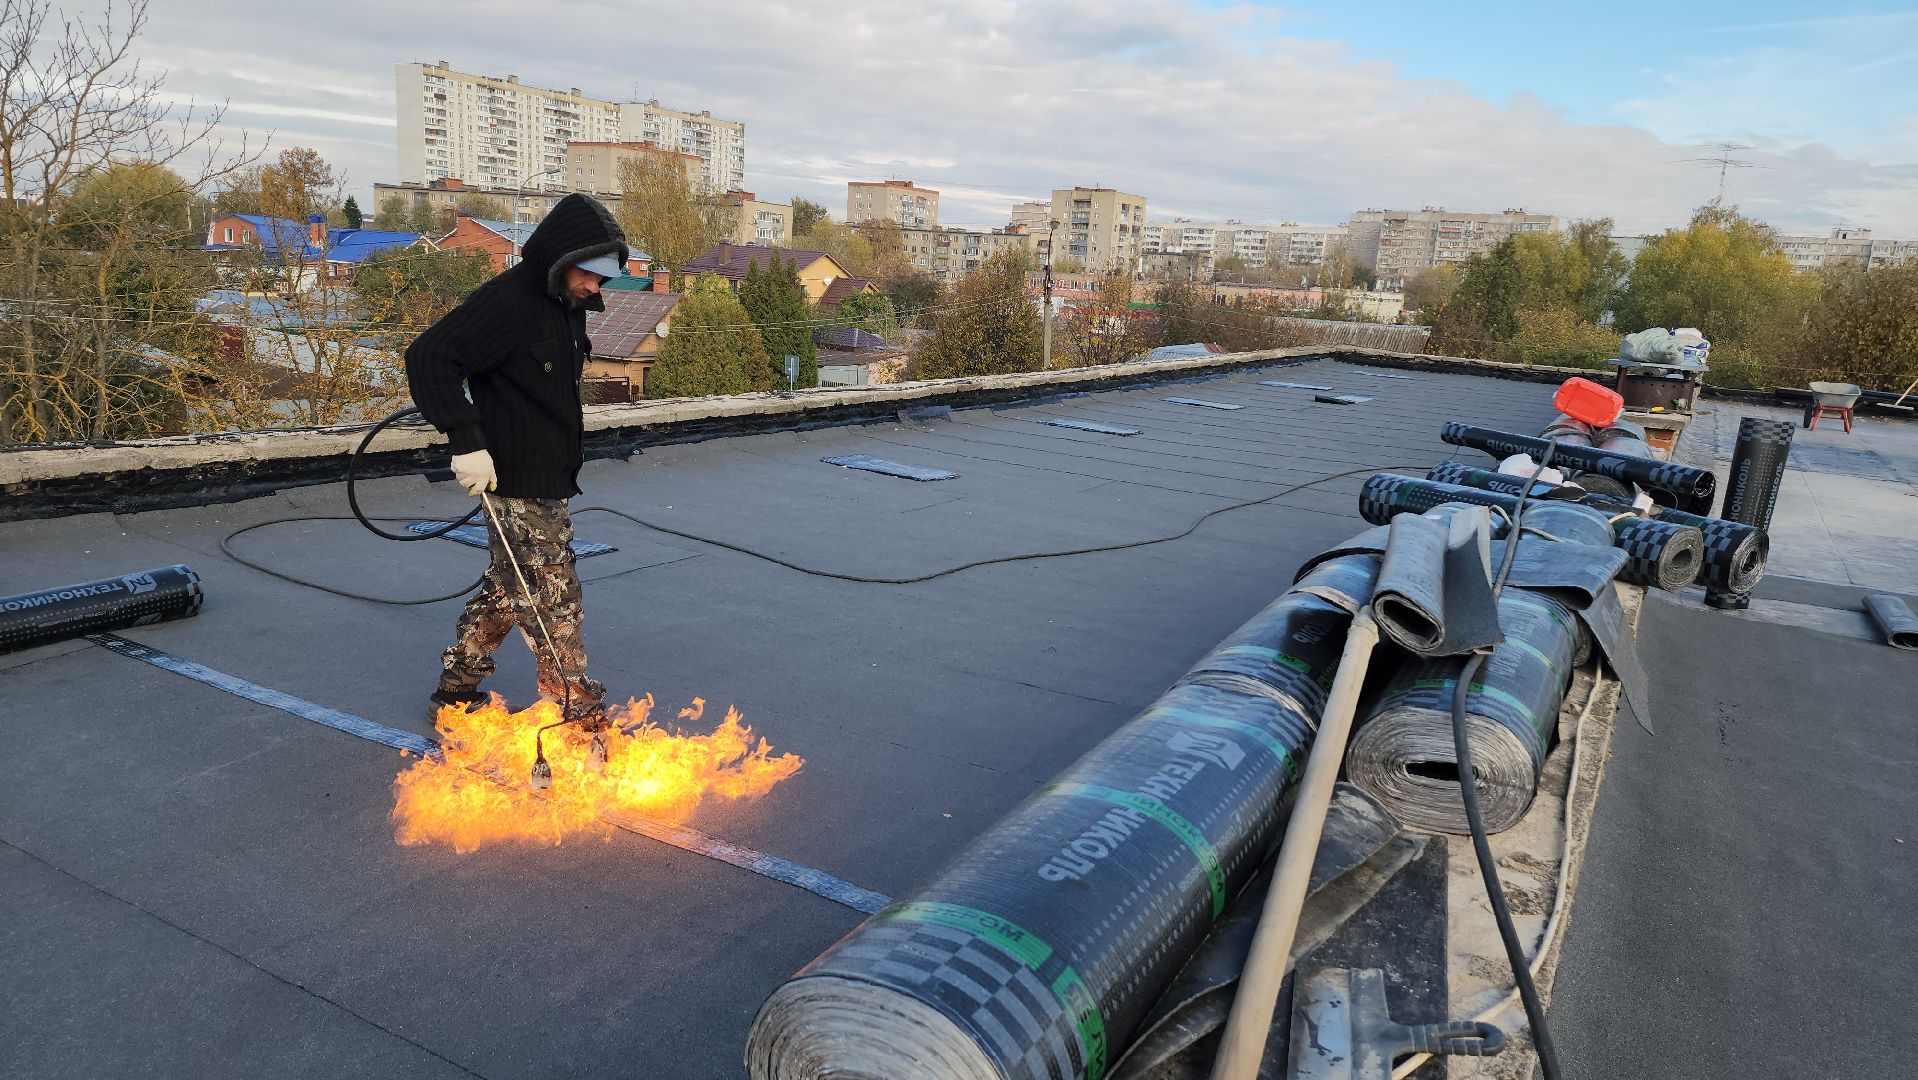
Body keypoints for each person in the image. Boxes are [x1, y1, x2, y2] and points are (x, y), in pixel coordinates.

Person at [403, 192, 627, 730]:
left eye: (603, 279)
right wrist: (465, 439)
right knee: (552, 591)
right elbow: (429, 356)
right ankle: (574, 710)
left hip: (551, 474)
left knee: (511, 587)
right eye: (590, 276)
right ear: (559, 260)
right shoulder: (506, 304)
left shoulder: (566, 305)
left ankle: (456, 687)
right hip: (511, 474)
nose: (596, 289)